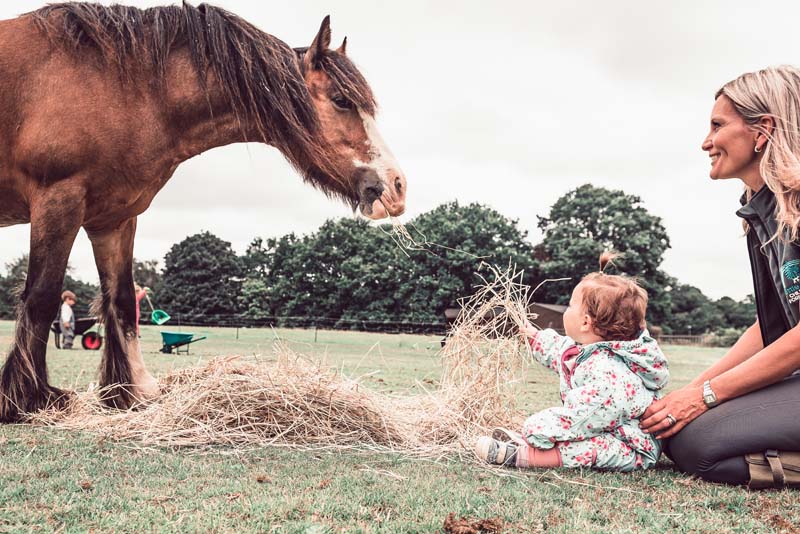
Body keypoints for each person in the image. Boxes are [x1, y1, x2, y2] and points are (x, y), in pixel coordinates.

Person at [640, 66, 800, 489]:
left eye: (717, 125)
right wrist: (692, 390)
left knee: (699, 446)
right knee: (678, 432)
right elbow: (772, 328)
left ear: (763, 129)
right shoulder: (761, 211)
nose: (706, 142)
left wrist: (705, 397)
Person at [475, 253, 669, 471]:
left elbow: (583, 417)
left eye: (569, 305)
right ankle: (531, 443)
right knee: (578, 435)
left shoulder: (608, 374)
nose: (566, 309)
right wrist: (535, 338)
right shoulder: (589, 351)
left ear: (586, 322)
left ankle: (524, 454)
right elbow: (561, 351)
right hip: (603, 426)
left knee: (587, 447)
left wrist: (538, 429)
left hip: (630, 446)